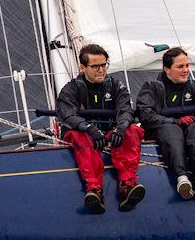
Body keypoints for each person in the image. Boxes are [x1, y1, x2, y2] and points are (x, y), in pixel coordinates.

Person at [56, 44, 145, 213]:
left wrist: (122, 127)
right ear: (82, 67)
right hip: (87, 135)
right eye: (95, 66)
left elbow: (125, 109)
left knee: (131, 130)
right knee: (79, 135)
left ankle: (127, 184)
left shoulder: (116, 86)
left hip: (111, 132)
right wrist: (89, 129)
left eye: (104, 65)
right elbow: (67, 114)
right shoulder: (71, 89)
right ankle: (94, 189)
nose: (101, 70)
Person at [136, 47, 195, 199]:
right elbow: (145, 114)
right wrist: (175, 121)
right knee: (171, 129)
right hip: (164, 132)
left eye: (187, 66)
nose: (186, 70)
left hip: (190, 131)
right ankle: (181, 177)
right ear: (166, 69)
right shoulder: (151, 88)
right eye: (180, 66)